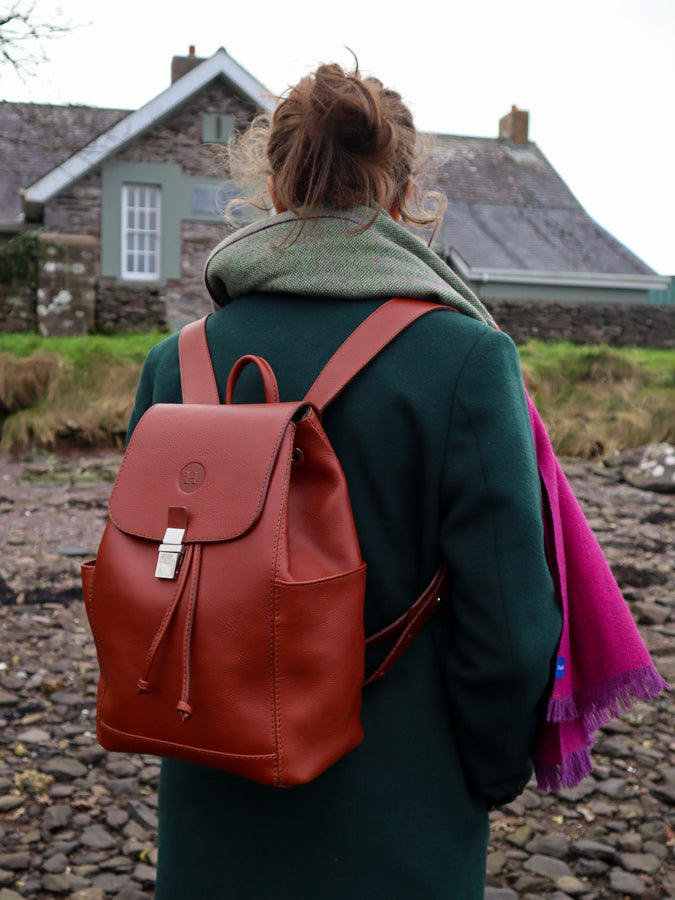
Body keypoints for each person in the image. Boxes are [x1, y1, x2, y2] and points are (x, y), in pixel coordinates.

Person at [128, 62, 562, 900]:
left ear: (275, 181)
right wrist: (489, 769)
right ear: (402, 193)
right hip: (400, 799)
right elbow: (510, 619)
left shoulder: (174, 364)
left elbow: (154, 580)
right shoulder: (466, 359)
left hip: (212, 778)